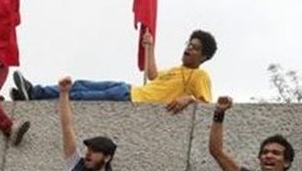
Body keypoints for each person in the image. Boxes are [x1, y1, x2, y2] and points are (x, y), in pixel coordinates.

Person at [12, 30, 217, 114]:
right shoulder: (177, 69)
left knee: (80, 95)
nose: (189, 49)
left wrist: (189, 99)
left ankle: (33, 99)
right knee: (81, 83)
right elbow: (153, 75)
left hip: (131, 100)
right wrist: (150, 47)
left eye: (196, 48)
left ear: (204, 57)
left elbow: (207, 105)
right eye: (189, 44)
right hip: (126, 88)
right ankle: (34, 92)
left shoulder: (200, 76)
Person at [209, 96, 295, 171]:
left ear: (286, 163)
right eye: (265, 152)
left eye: (275, 153)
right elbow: (216, 151)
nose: (268, 156)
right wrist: (219, 112)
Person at [57, 77, 120, 171]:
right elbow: (67, 128)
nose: (88, 153)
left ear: (107, 157)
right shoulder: (76, 167)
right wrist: (64, 93)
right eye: (88, 149)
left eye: (95, 150)